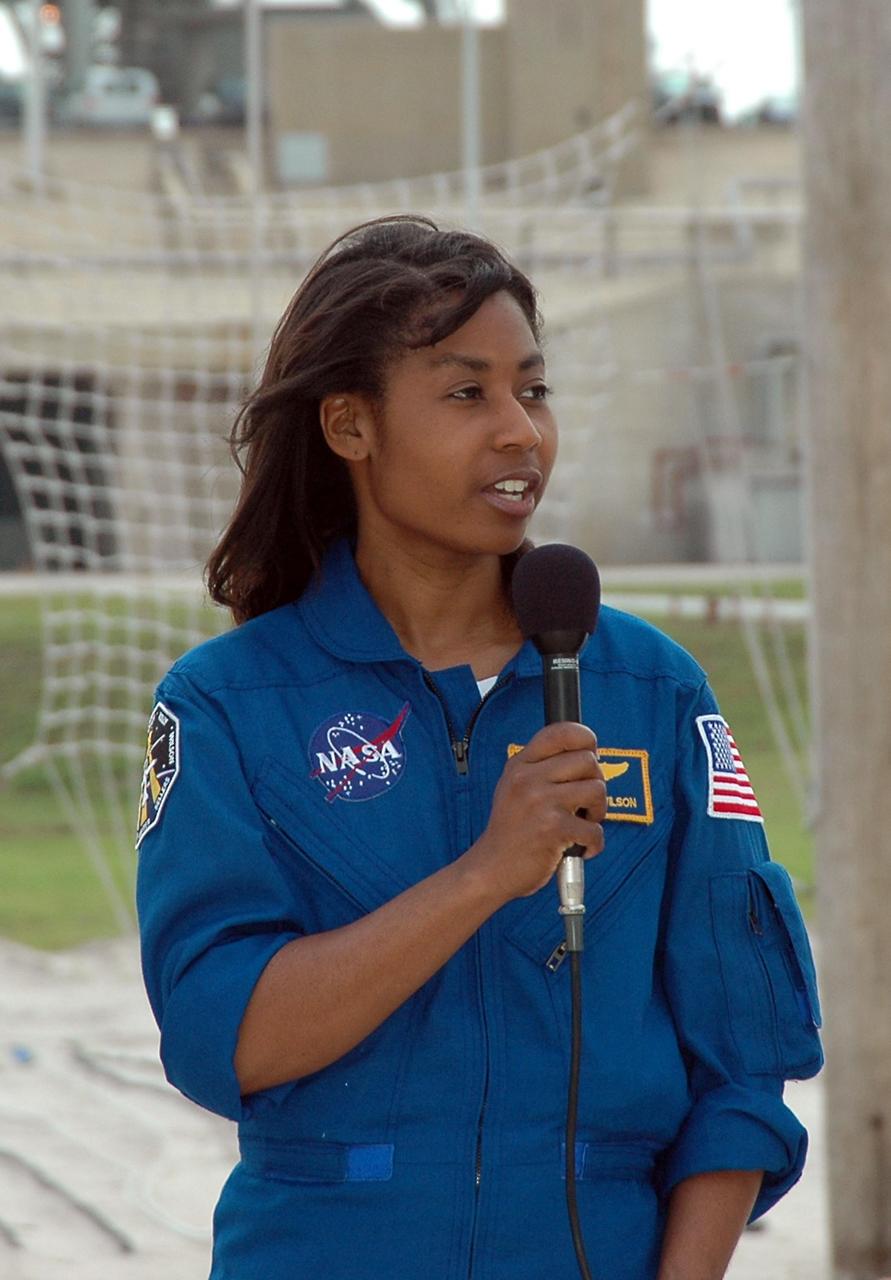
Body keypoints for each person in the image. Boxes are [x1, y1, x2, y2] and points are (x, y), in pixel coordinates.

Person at [135, 214, 823, 1280]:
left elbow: (739, 1071)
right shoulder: (230, 703)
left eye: (533, 389)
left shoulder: (653, 690)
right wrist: (485, 875)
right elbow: (221, 1036)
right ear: (350, 426)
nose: (520, 432)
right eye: (467, 393)